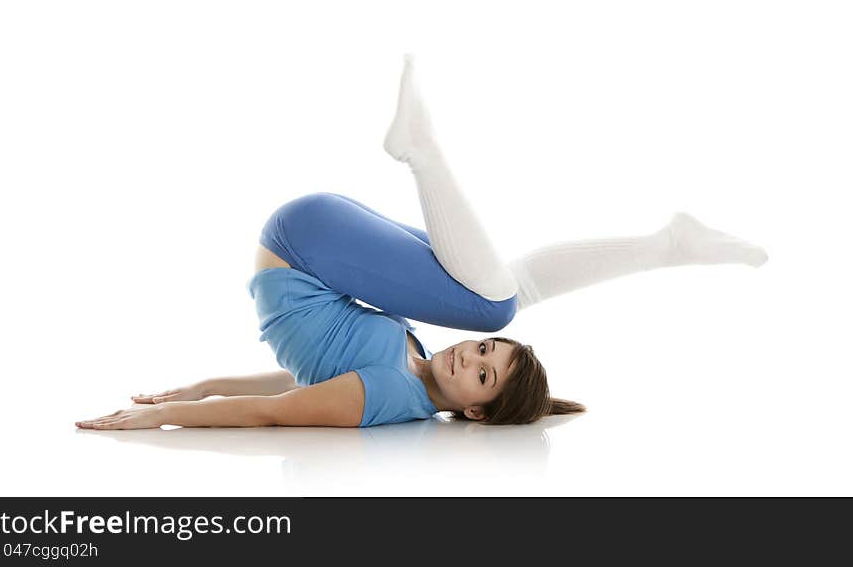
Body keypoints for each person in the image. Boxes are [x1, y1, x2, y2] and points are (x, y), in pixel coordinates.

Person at [76, 55, 768, 431]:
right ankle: (669, 244)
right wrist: (196, 384)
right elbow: (301, 375)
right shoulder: (410, 363)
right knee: (502, 287)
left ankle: (424, 152)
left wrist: (166, 417)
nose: (475, 352)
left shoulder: (387, 399)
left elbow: (279, 408)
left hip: (303, 246)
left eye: (484, 373)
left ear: (471, 409)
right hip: (320, 242)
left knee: (498, 299)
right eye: (488, 354)